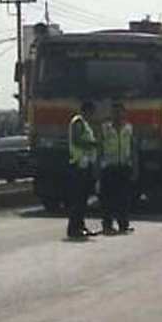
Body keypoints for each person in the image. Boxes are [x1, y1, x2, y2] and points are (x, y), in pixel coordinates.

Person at [100, 100, 136, 235]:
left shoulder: (129, 129)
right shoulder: (105, 129)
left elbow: (133, 149)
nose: (117, 114)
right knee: (107, 199)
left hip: (124, 167)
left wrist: (134, 167)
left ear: (124, 113)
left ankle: (123, 224)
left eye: (120, 111)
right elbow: (99, 149)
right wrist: (98, 168)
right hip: (109, 167)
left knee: (124, 198)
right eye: (114, 111)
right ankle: (107, 225)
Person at [66, 100, 100, 239]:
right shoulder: (78, 122)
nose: (91, 116)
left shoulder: (85, 124)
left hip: (85, 165)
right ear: (86, 111)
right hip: (78, 165)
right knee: (78, 199)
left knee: (83, 199)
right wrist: (94, 144)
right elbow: (77, 140)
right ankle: (74, 228)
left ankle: (80, 226)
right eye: (90, 113)